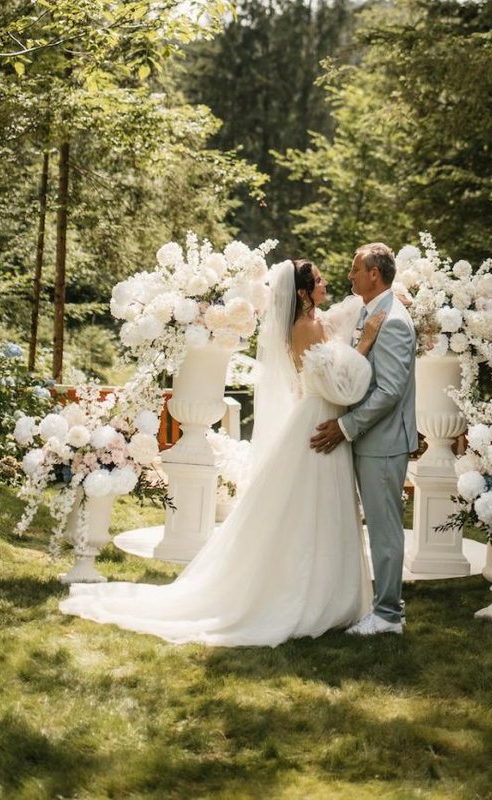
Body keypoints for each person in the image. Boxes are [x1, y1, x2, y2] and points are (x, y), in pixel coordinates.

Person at [59, 259, 384, 647]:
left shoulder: (306, 324)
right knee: (315, 509)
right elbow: (341, 388)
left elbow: (339, 320)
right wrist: (365, 344)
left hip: (311, 417)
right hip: (320, 421)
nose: (325, 282)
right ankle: (316, 597)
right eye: (317, 280)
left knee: (309, 509)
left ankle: (324, 592)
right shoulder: (309, 328)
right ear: (302, 292)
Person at [310, 242, 417, 637]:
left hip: (384, 442)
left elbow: (389, 390)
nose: (350, 275)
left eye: (356, 269)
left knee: (385, 530)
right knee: (378, 527)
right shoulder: (373, 312)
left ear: (375, 274)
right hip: (372, 441)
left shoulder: (393, 321)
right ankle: (384, 608)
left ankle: (388, 615)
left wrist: (345, 427)